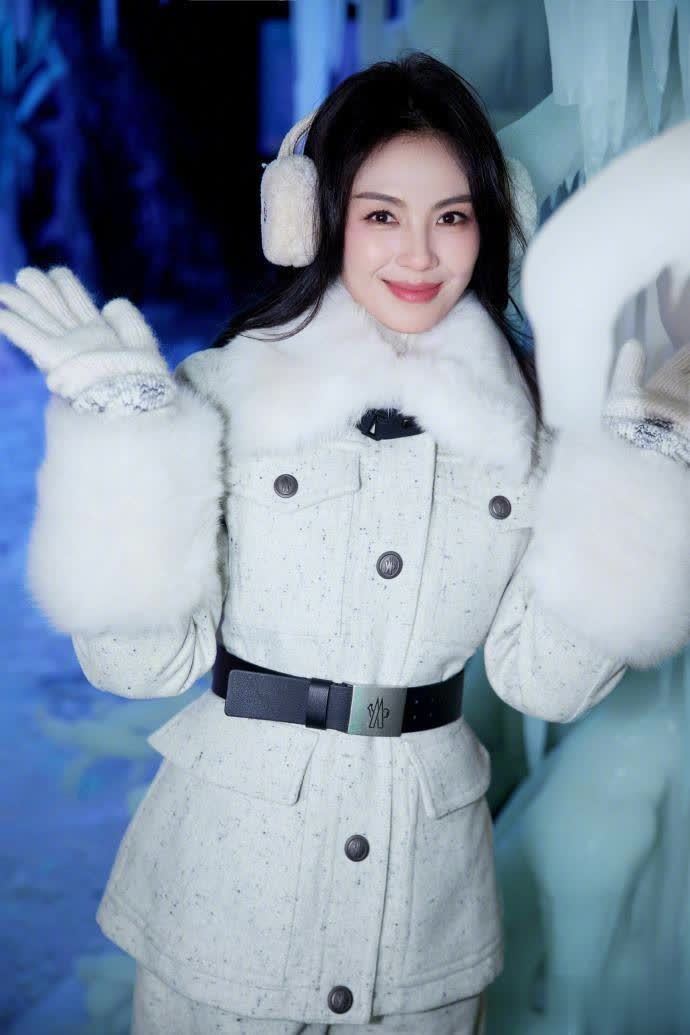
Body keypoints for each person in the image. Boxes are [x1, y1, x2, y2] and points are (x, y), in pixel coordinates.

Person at [2, 51, 689, 1035]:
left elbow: (545, 682)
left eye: (452, 216)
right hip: (225, 904)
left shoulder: (529, 440)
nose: (420, 253)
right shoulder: (217, 398)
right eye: (381, 215)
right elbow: (138, 665)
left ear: (495, 222)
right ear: (311, 217)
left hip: (425, 923)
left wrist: (648, 478)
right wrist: (125, 446)